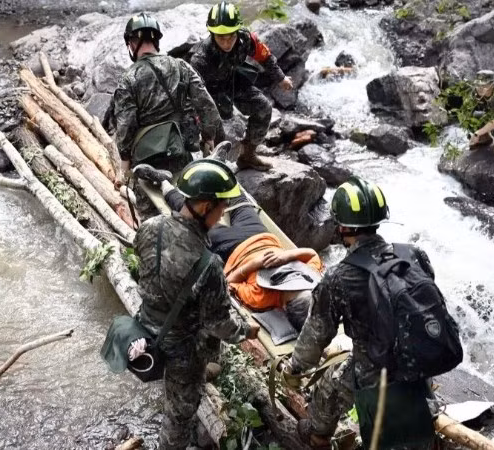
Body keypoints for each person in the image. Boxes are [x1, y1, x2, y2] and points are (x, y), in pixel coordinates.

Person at [285, 176, 442, 449]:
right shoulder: (415, 255)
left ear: (343, 226)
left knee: (330, 388)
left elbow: (315, 336)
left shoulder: (339, 278)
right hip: (418, 363)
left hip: (373, 372)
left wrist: (294, 368)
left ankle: (316, 436)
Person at [134, 158, 258, 450]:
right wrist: (246, 331)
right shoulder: (208, 264)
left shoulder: (151, 226)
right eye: (221, 208)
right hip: (182, 347)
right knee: (179, 415)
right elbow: (218, 324)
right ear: (204, 208)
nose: (224, 213)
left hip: (147, 323)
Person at [134, 161, 322, 330]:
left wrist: (254, 264)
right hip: (262, 237)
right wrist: (286, 256)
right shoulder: (311, 279)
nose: (295, 286)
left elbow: (229, 283)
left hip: (232, 249)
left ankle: (163, 183)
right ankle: (219, 169)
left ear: (285, 306)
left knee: (195, 215)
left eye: (294, 293)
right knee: (242, 206)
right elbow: (313, 255)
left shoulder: (262, 298)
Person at [113, 13, 224, 180]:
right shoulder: (181, 66)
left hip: (148, 157)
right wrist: (209, 137)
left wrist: (124, 163)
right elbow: (207, 105)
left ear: (132, 44)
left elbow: (125, 126)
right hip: (182, 148)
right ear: (156, 41)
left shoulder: (128, 79)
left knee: (148, 201)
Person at [190, 1, 293, 172]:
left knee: (263, 107)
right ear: (212, 34)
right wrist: (203, 125)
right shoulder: (200, 58)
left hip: (234, 79)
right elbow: (194, 95)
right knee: (215, 130)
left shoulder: (246, 38)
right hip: (208, 91)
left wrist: (281, 78)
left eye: (231, 36)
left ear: (237, 31)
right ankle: (210, 169)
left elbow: (265, 57)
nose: (226, 42)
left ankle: (248, 155)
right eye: (220, 37)